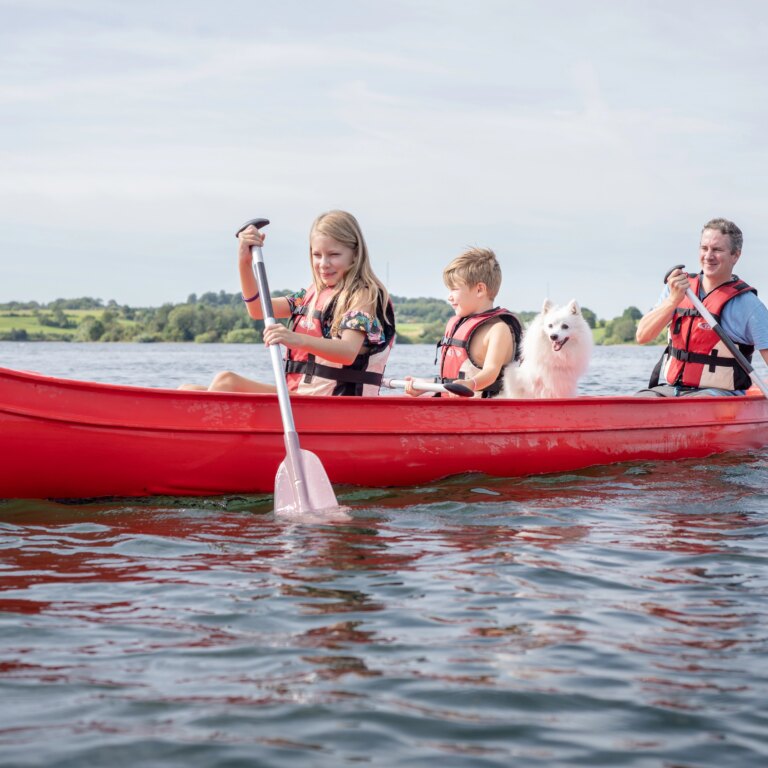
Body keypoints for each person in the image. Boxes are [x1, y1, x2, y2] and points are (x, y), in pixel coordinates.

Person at [181, 210, 395, 396]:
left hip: (333, 406)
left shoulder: (363, 296)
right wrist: (244, 262)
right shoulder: (310, 295)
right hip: (300, 399)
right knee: (187, 390)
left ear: (355, 255)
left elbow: (347, 352)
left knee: (226, 382)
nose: (323, 263)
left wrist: (296, 339)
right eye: (317, 255)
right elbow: (258, 309)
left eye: (334, 255)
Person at [635, 217, 768, 397]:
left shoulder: (749, 305)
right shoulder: (678, 288)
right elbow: (642, 336)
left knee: (694, 404)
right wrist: (673, 300)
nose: (708, 256)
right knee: (641, 399)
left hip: (719, 396)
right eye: (704, 248)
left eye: (717, 250)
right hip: (672, 390)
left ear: (735, 255)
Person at [405, 247, 521, 398]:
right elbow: (454, 380)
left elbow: (491, 372)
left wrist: (470, 384)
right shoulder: (455, 324)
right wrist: (426, 385)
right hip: (453, 408)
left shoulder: (498, 329)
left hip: (485, 410)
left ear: (480, 290)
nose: (449, 297)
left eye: (454, 289)